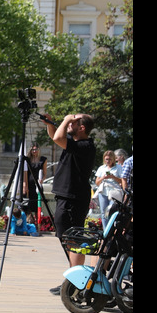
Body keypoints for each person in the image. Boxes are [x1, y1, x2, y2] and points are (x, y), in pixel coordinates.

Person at [44, 113, 96, 283]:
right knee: (68, 237)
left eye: (73, 123)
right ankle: (74, 278)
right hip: (68, 196)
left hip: (74, 198)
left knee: (73, 238)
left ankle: (76, 281)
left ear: (81, 128)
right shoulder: (76, 144)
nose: (69, 125)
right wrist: (50, 123)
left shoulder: (86, 145)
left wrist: (66, 118)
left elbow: (58, 138)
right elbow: (54, 136)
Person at [95, 150, 122, 222]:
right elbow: (97, 183)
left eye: (110, 159)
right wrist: (102, 178)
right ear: (104, 159)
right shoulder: (101, 168)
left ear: (113, 159)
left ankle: (112, 231)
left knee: (112, 211)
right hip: (103, 191)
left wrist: (113, 177)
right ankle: (105, 232)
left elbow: (122, 181)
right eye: (106, 159)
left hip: (114, 192)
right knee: (104, 212)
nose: (108, 161)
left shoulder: (118, 167)